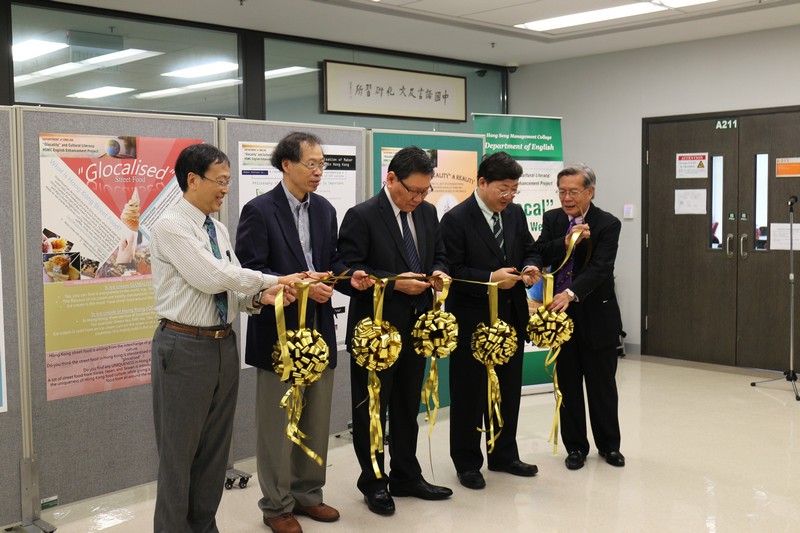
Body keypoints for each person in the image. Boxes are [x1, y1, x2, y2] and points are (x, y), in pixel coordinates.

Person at [149, 142, 303, 533]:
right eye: (220, 182)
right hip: (183, 348)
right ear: (192, 180)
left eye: (229, 182)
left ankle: (203, 526)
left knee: (214, 453)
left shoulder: (216, 228)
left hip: (223, 344)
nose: (225, 190)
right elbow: (210, 277)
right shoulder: (171, 226)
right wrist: (275, 279)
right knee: (178, 456)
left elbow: (229, 288)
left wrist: (261, 297)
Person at [235, 132, 371, 533]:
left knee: (316, 414)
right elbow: (251, 271)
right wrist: (299, 284)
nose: (318, 171)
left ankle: (309, 495)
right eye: (311, 164)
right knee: (278, 422)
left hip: (319, 327)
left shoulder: (326, 210)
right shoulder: (259, 211)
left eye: (322, 164)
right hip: (278, 332)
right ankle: (276, 504)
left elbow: (331, 263)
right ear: (286, 165)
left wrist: (350, 277)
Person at [338, 146, 452, 516]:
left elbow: (439, 254)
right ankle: (373, 481)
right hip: (377, 331)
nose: (419, 199)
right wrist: (391, 283)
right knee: (373, 406)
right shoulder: (363, 215)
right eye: (412, 191)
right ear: (390, 180)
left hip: (417, 326)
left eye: (425, 191)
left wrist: (437, 272)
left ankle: (406, 474)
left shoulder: (429, 212)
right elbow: (347, 270)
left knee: (407, 404)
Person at [439, 151, 542, 490]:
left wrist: (529, 267)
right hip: (472, 319)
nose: (509, 195)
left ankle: (503, 454)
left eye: (514, 189)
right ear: (481, 183)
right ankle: (467, 462)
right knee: (469, 392)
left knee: (508, 389)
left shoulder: (514, 213)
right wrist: (489, 277)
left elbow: (530, 248)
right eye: (502, 188)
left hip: (510, 316)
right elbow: (451, 270)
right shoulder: (456, 219)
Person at [535, 163, 624, 471]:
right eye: (562, 192)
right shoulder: (553, 219)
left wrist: (571, 293)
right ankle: (575, 448)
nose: (567, 198)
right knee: (568, 386)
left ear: (590, 192)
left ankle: (609, 446)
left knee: (602, 386)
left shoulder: (607, 224)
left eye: (573, 191)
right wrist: (564, 240)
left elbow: (601, 268)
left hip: (596, 314)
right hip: (560, 320)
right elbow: (541, 252)